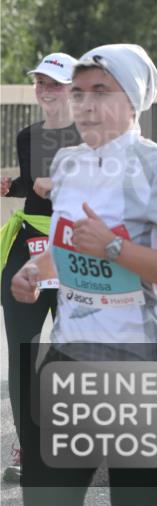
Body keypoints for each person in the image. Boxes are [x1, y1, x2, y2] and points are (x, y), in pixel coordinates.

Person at [11, 44, 157, 506]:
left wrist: (114, 246)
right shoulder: (67, 165)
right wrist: (34, 269)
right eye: (78, 92)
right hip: (69, 366)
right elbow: (71, 247)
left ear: (133, 98)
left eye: (100, 91)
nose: (85, 104)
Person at [0, 53, 81, 484]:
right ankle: (29, 446)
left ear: (73, 88)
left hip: (73, 248)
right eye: (39, 82)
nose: (45, 90)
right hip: (28, 247)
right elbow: (35, 190)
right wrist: (10, 185)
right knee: (22, 353)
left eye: (54, 83)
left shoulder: (92, 136)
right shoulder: (27, 135)